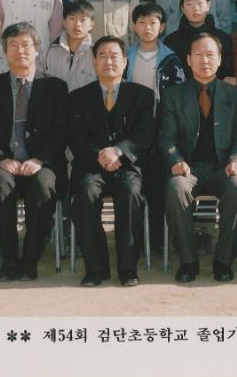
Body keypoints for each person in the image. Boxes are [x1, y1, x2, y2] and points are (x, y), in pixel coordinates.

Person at [0, 22, 68, 282]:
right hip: (5, 165)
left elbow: (61, 132)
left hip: (42, 165)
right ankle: (9, 259)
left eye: (26, 45)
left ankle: (30, 259)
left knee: (44, 185)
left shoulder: (55, 87)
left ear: (37, 49)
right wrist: (1, 159)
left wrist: (39, 159)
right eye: (13, 45)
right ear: (5, 51)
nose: (20, 51)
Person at [160, 33, 237, 283]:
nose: (205, 60)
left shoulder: (234, 95)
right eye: (198, 55)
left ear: (220, 59)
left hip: (223, 168)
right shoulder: (173, 95)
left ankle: (223, 261)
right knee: (176, 188)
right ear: (188, 60)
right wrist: (175, 160)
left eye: (211, 55)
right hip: (189, 169)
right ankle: (188, 262)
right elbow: (167, 137)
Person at [68, 36, 156, 287]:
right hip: (91, 165)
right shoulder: (78, 97)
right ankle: (96, 269)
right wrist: (100, 154)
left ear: (125, 61)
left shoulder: (142, 95)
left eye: (115, 56)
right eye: (103, 56)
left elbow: (145, 134)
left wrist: (118, 151)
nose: (109, 61)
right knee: (85, 193)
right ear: (94, 61)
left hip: (127, 166)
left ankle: (128, 269)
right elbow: (74, 136)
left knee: (131, 193)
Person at [125, 2, 186, 249]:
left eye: (153, 23)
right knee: (136, 184)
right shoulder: (126, 56)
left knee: (158, 185)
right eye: (141, 22)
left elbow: (178, 98)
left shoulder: (171, 59)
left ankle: (159, 241)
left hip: (161, 130)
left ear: (162, 27)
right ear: (133, 26)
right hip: (133, 131)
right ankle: (137, 241)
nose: (147, 27)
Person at [164, 0, 233, 80]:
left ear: (208, 6)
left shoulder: (223, 39)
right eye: (189, 4)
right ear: (182, 9)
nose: (195, 8)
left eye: (199, 3)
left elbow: (227, 76)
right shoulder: (171, 41)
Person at [42, 0, 97, 91]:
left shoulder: (96, 54)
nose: (77, 24)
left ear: (91, 25)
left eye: (83, 20)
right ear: (64, 22)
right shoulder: (48, 53)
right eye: (72, 18)